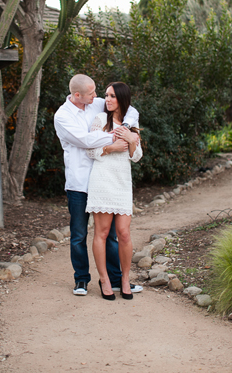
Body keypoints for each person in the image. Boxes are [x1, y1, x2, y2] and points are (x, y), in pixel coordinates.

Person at [53, 74, 142, 296]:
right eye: (92, 93)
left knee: (111, 234)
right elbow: (85, 141)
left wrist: (128, 130)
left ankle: (115, 279)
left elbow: (129, 109)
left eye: (98, 92)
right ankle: (82, 279)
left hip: (106, 178)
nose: (98, 97)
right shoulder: (63, 116)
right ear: (77, 95)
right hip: (80, 181)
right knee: (79, 234)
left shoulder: (96, 103)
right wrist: (116, 138)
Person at [85, 81, 142, 300]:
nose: (107, 99)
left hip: (122, 182)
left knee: (124, 233)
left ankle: (125, 279)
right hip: (102, 179)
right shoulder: (100, 120)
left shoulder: (132, 124)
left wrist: (130, 141)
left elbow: (137, 158)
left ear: (122, 99)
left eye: (112, 96)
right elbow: (90, 151)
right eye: (106, 96)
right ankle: (105, 279)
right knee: (101, 232)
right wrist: (111, 148)